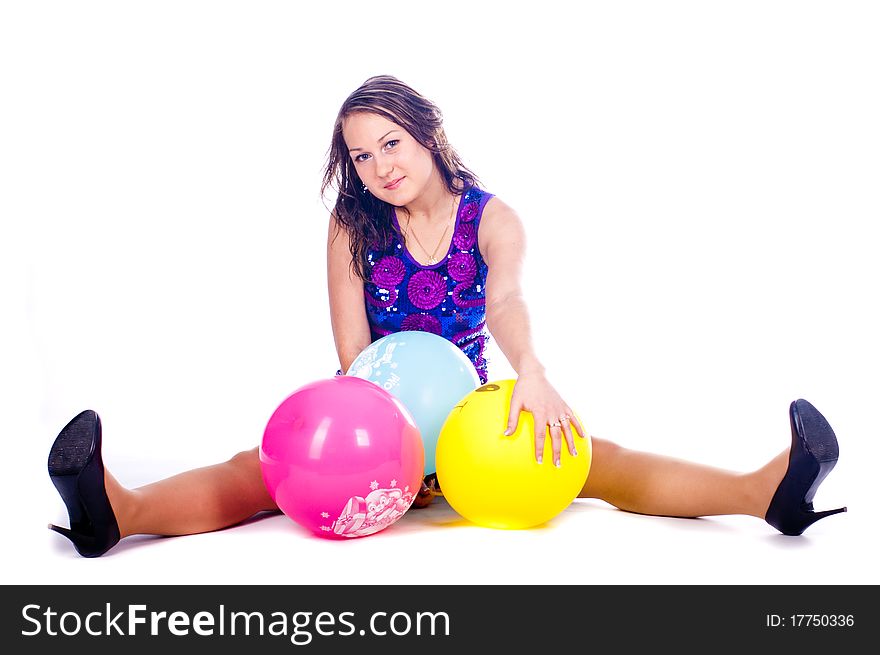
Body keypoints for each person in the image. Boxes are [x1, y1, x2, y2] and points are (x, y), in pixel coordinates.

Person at [47, 75, 846, 558]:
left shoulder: (493, 219)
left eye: (390, 143)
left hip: (470, 425)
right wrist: (390, 451)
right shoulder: (350, 225)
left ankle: (763, 491)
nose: (379, 167)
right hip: (372, 418)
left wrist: (532, 374)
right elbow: (353, 350)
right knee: (262, 470)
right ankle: (117, 512)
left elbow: (506, 304)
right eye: (362, 155)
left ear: (429, 133)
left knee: (596, 459)